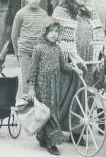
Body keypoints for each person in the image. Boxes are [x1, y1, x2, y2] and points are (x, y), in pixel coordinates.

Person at [52, 0, 105, 145]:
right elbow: (56, 37)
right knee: (68, 94)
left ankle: (78, 131)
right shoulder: (61, 11)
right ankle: (55, 127)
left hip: (89, 58)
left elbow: (99, 34)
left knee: (86, 95)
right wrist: (70, 58)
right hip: (71, 59)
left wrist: (100, 53)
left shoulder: (90, 12)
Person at [27, 18, 82, 155]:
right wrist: (31, 88)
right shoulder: (38, 49)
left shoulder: (58, 49)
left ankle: (43, 137)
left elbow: (63, 67)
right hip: (42, 85)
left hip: (55, 86)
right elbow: (33, 70)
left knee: (53, 110)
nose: (54, 34)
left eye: (56, 31)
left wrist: (75, 69)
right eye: (51, 31)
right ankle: (51, 143)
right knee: (47, 112)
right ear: (44, 32)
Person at [11, 0, 47, 95]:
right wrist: (17, 52)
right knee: (27, 81)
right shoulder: (20, 14)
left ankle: (39, 108)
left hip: (40, 52)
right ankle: (28, 108)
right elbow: (14, 35)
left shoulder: (44, 14)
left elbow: (45, 34)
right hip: (25, 52)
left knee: (39, 81)